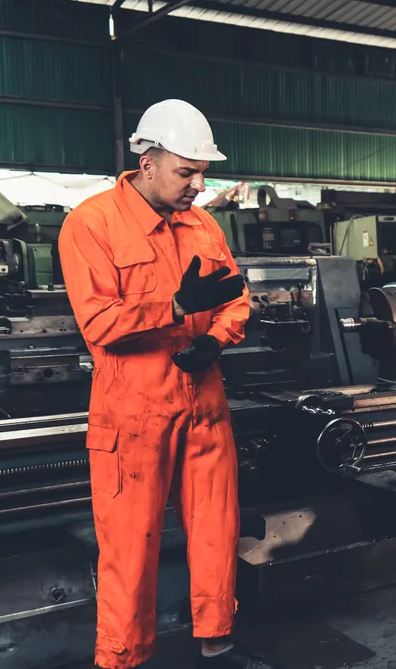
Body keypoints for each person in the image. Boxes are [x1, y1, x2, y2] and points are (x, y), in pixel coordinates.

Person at [59, 99, 270, 669]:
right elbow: (99, 324)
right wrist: (175, 306)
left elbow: (236, 298)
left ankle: (217, 642)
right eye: (187, 172)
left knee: (215, 529)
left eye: (203, 172)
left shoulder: (202, 224)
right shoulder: (91, 223)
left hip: (203, 402)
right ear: (147, 162)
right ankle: (123, 656)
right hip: (133, 412)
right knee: (130, 544)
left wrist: (216, 339)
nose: (199, 185)